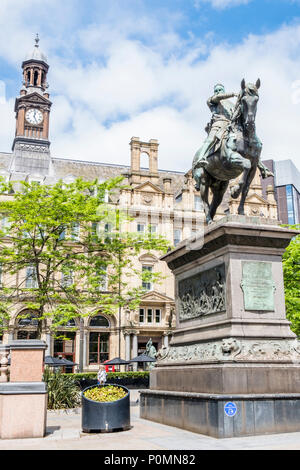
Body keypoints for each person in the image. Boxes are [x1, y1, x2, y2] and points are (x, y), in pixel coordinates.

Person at [193, 83, 238, 175]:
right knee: (210, 139)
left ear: (224, 90)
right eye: (216, 90)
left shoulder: (232, 105)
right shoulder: (212, 100)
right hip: (219, 124)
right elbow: (217, 97)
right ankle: (201, 158)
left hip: (230, 126)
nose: (218, 92)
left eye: (220, 90)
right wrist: (233, 94)